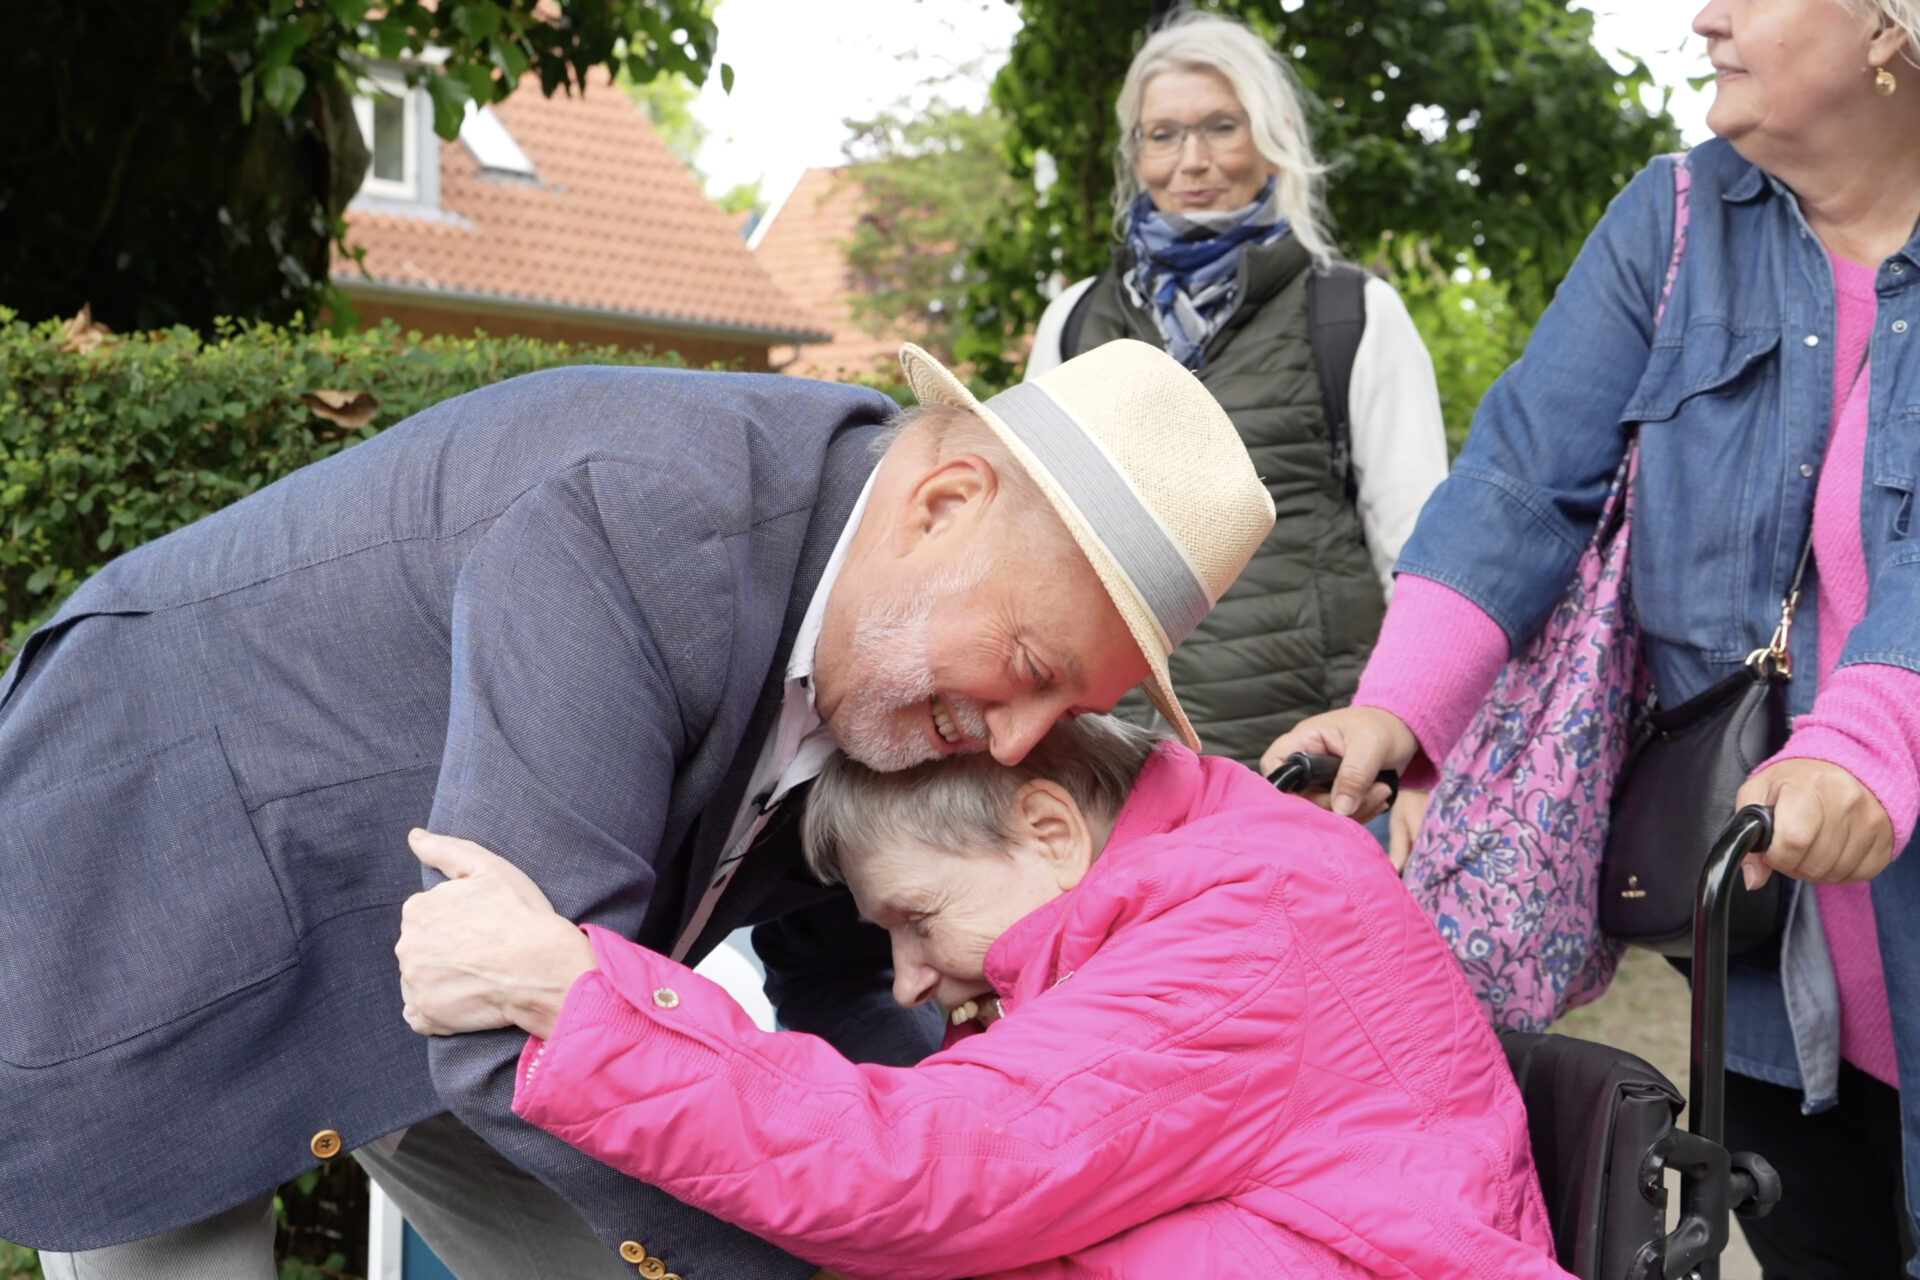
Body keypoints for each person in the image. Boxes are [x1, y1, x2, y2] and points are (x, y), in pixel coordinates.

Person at [0, 338, 1278, 1279]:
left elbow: (841, 984)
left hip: (460, 969)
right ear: (945, 503)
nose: (1014, 741)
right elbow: (516, 1036)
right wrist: (820, 1258)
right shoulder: (646, 519)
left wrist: (951, 1199)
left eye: (1064, 708)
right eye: (1033, 667)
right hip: (149, 870)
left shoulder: (898, 650)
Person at [1270, 1, 1920, 1273]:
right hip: (1762, 961)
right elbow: (1521, 478)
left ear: (1889, 27)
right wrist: (1395, 706)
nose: (1706, 16)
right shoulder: (1672, 220)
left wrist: (1864, 740)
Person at [394, 714, 1571, 1280]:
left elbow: (921, 1166)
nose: (910, 977)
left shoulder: (1238, 932)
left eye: (917, 915)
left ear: (1049, 828)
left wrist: (578, 998)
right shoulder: (1222, 880)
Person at [1025, 12, 1449, 798]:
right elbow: (1033, 549)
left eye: (1222, 127)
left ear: (1272, 134)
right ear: (1135, 152)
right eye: (1162, 135)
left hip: (1311, 768)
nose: (1192, 160)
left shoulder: (1351, 312)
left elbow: (1418, 549)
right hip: (1121, 769)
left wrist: (1418, 754)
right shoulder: (1075, 322)